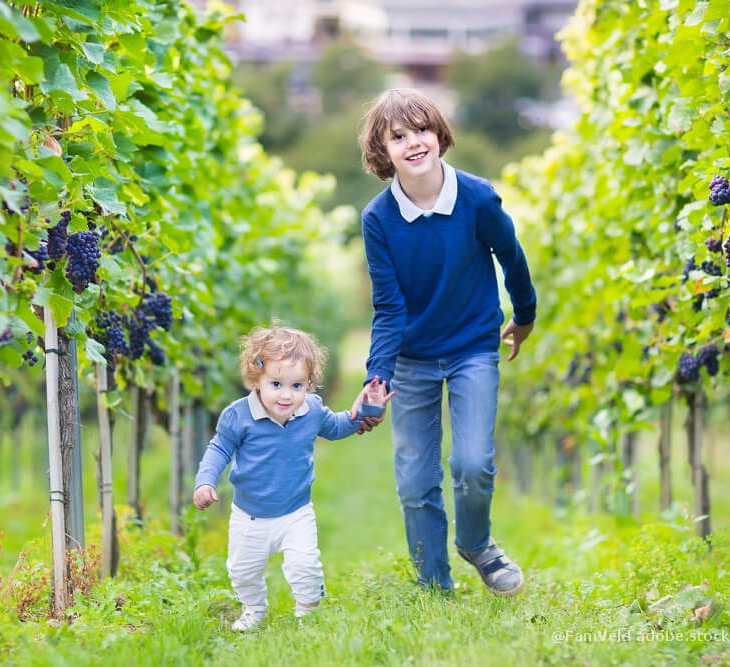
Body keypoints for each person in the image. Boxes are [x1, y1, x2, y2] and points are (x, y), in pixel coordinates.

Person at [353, 88, 536, 596]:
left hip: (474, 347)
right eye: (398, 136)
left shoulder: (476, 197)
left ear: (440, 135)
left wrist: (524, 316)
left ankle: (476, 543)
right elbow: (389, 307)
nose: (413, 142)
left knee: (473, 462)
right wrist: (377, 375)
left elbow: (512, 258)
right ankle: (434, 585)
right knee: (415, 481)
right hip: (412, 358)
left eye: (422, 130)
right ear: (382, 152)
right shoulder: (378, 220)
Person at [193, 325, 392, 632]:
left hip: (295, 511)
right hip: (249, 516)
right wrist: (205, 482)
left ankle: (308, 611)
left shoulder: (310, 409)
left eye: (297, 386)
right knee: (243, 571)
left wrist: (366, 410)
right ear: (256, 379)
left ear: (309, 384)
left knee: (305, 565)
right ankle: (254, 608)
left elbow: (337, 426)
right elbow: (218, 448)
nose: (287, 395)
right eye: (276, 384)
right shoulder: (238, 415)